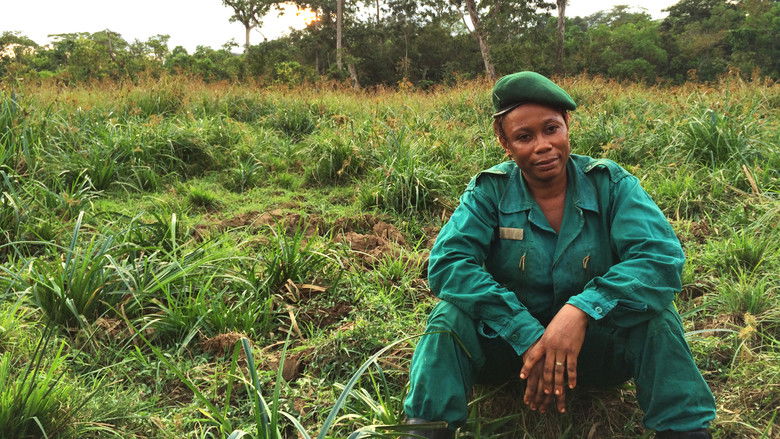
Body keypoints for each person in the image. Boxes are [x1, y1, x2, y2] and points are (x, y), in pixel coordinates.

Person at [402, 72, 716, 439]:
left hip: (595, 353)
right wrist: (525, 333)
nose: (542, 145)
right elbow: (449, 263)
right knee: (450, 315)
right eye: (524, 136)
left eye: (551, 129)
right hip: (513, 358)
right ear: (505, 143)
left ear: (567, 125)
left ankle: (685, 430)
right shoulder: (489, 191)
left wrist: (581, 310)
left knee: (657, 315)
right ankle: (427, 429)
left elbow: (659, 258)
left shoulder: (611, 184)